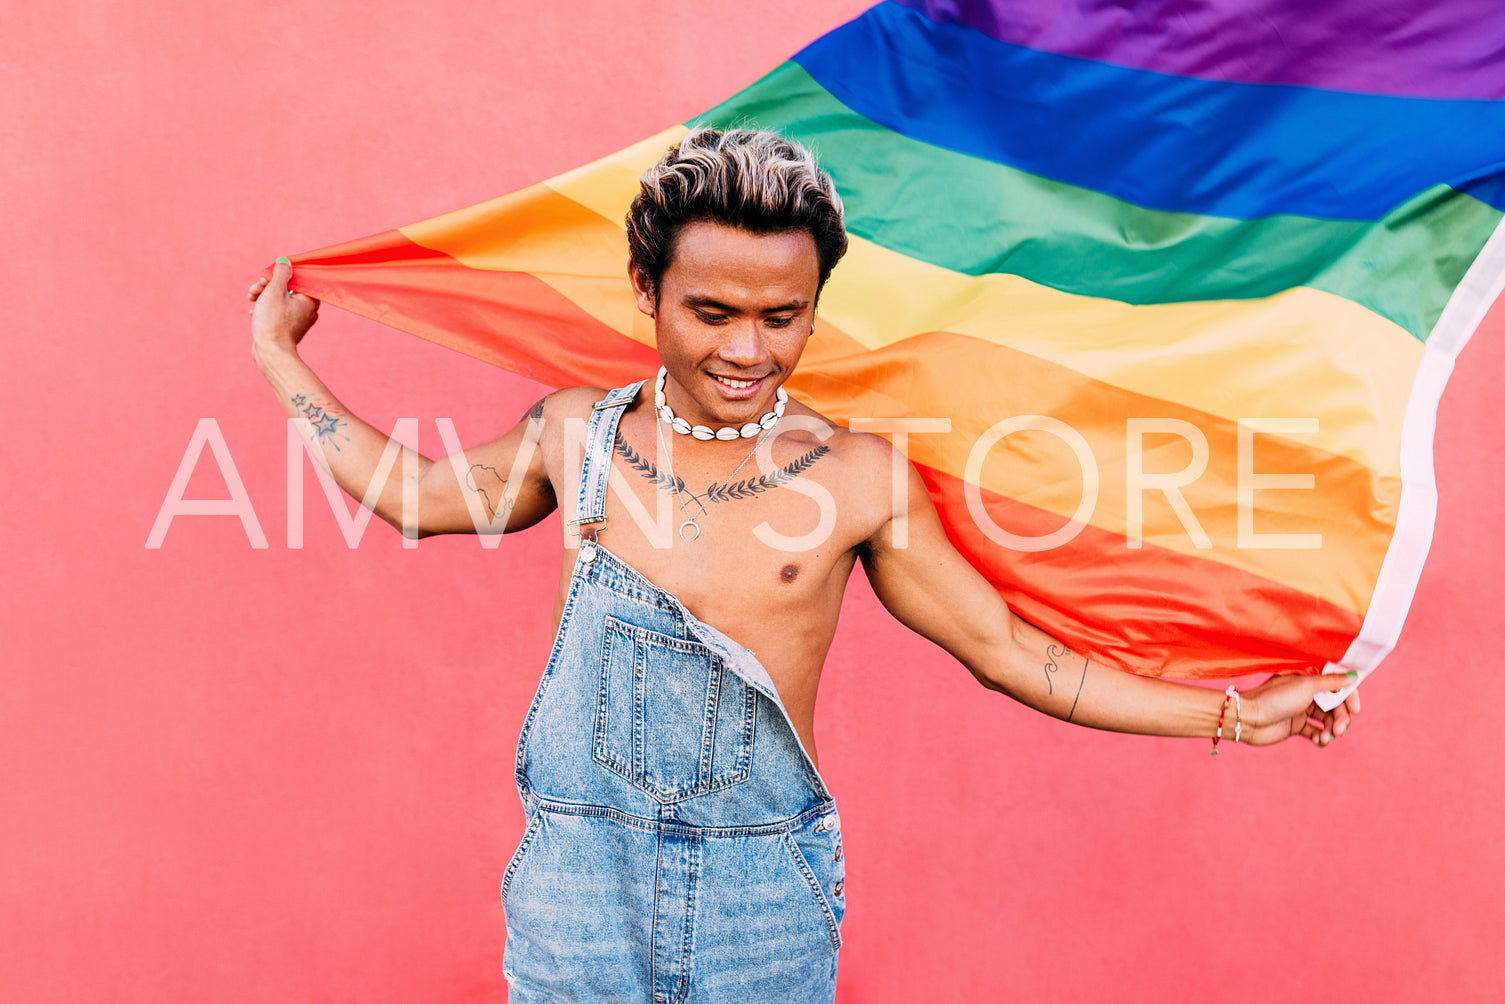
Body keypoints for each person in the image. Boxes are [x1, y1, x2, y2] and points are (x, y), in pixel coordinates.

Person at [249, 127, 1360, 1002]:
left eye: (781, 316)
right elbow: (411, 492)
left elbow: (1015, 653)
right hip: (578, 892)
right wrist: (278, 355)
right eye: (711, 312)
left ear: (815, 309)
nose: (745, 349)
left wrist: (1229, 714)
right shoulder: (573, 435)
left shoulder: (860, 479)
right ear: (645, 290)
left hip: (760, 903)